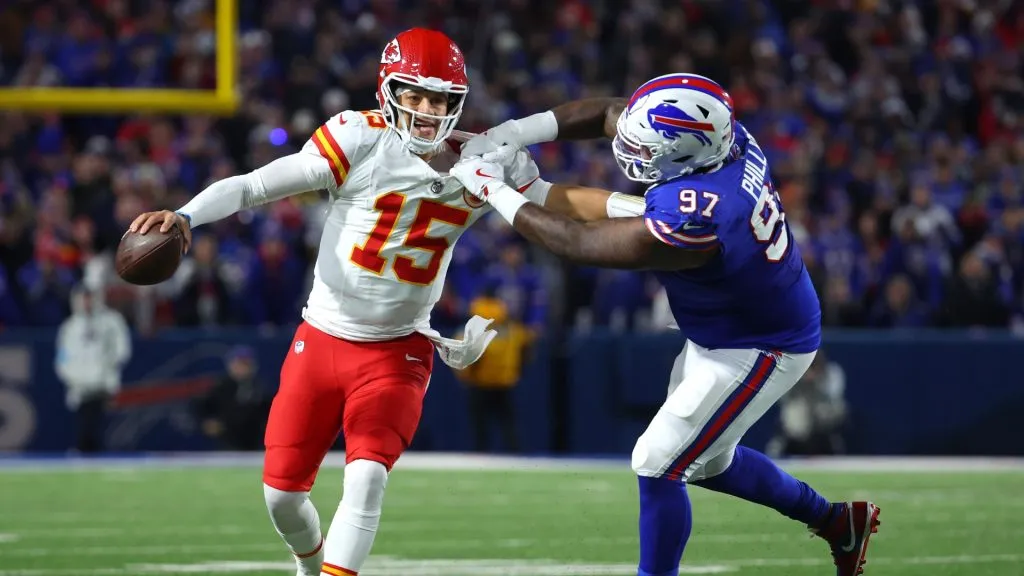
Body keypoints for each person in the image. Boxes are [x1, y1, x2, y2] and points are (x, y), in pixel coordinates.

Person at [129, 28, 639, 576]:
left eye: (440, 97)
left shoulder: (488, 158)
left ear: (457, 101)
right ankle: (310, 563)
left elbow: (561, 202)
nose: (427, 108)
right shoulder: (359, 139)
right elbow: (254, 185)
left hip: (400, 348)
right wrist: (185, 215)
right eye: (415, 94)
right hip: (321, 337)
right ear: (388, 91)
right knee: (281, 497)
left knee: (367, 475)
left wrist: (640, 208)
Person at [452, 73, 880, 576]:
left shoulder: (698, 216)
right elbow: (613, 113)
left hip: (761, 346)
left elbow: (580, 243)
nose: (627, 147)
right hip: (732, 322)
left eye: (643, 145)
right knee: (709, 462)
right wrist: (513, 136)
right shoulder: (724, 142)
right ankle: (835, 522)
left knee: (657, 462)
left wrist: (494, 190)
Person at [54, 286, 131, 454]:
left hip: (105, 384)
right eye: (84, 297)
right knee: (86, 423)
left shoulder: (111, 321)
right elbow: (62, 360)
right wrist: (76, 377)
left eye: (90, 297)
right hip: (79, 387)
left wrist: (104, 372)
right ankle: (85, 450)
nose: (87, 302)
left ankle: (88, 450)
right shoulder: (69, 328)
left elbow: (122, 350)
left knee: (102, 427)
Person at [194, 345, 271, 451]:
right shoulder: (220, 386)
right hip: (227, 440)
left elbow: (268, 410)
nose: (242, 368)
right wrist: (207, 421)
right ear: (231, 365)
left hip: (254, 440)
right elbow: (201, 406)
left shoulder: (260, 387)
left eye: (246, 364)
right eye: (239, 364)